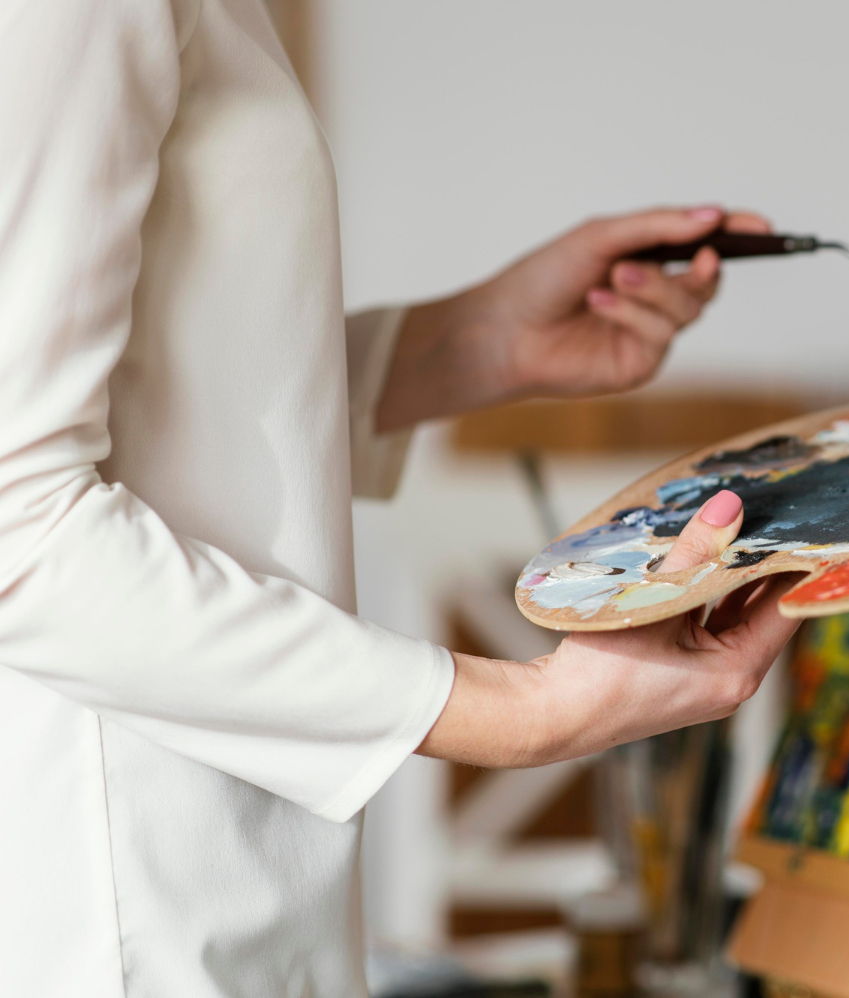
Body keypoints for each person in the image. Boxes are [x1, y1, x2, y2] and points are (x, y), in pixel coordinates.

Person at [0, 2, 800, 996]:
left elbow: (157, 388)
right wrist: (525, 711)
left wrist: (468, 344)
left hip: (231, 867)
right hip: (117, 900)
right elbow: (14, 530)